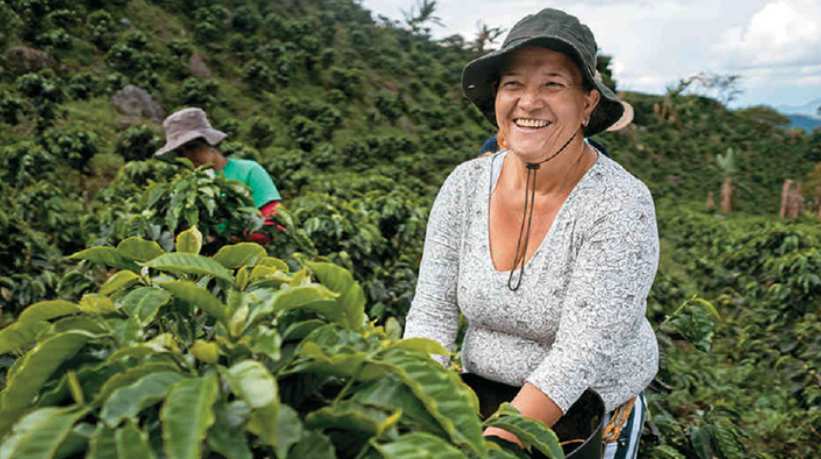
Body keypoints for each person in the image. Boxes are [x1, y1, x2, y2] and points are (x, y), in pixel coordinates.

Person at [403, 8, 657, 459]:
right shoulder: (464, 185)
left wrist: (494, 443)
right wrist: (415, 409)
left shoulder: (621, 204)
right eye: (513, 84)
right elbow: (431, 315)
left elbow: (580, 354)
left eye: (553, 84)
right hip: (481, 396)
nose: (529, 101)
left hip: (587, 416)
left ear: (587, 104)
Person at [154, 107, 283, 242]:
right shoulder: (186, 187)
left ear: (210, 142)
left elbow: (274, 222)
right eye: (180, 153)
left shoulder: (249, 171)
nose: (187, 156)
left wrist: (228, 240)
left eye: (192, 147)